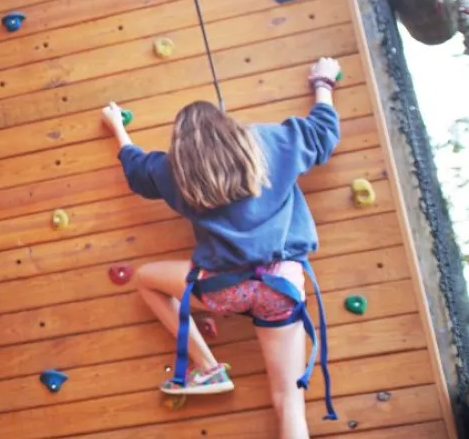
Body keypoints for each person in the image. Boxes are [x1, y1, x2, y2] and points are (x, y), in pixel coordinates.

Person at [103, 57, 344, 438]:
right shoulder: (270, 143)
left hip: (225, 289)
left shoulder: (174, 172)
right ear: (226, 125)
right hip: (280, 289)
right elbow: (323, 134)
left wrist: (118, 127)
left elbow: (136, 169)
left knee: (147, 280)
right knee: (288, 400)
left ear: (180, 144)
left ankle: (207, 366)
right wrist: (323, 83)